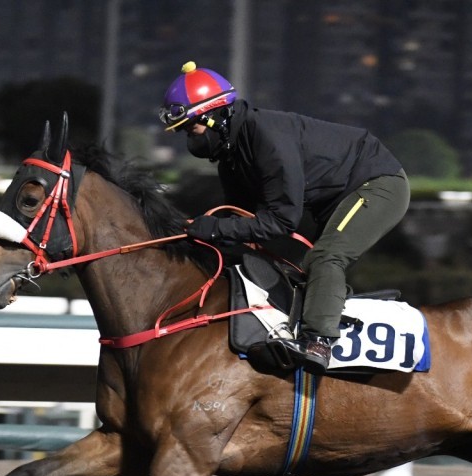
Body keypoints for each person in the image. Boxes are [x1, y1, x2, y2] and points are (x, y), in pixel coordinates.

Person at [160, 61, 409, 375]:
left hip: (377, 183)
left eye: (190, 128)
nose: (189, 139)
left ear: (214, 116)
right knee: (304, 272)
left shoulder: (266, 137)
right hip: (333, 199)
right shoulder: (231, 157)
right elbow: (241, 221)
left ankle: (319, 342)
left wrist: (216, 229)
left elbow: (281, 221)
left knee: (326, 258)